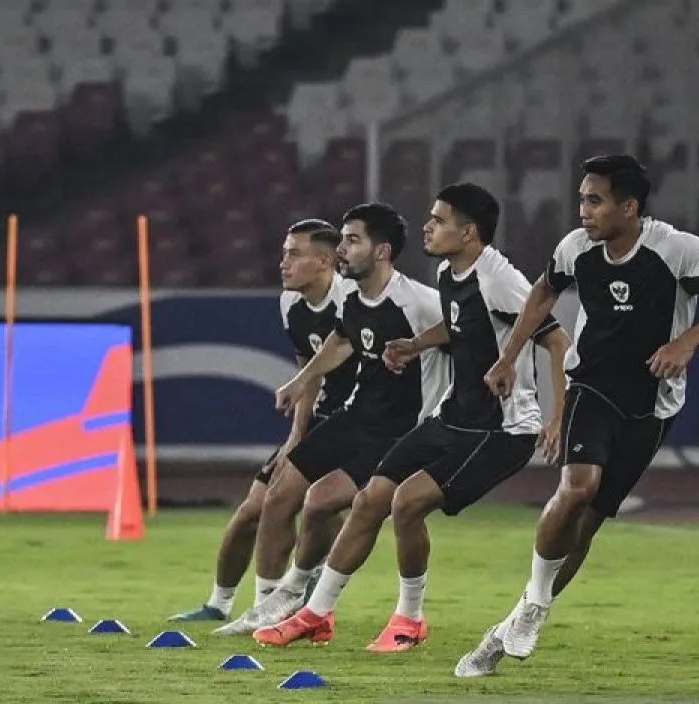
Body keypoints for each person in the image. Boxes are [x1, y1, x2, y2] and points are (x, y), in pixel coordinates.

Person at [459, 154, 699, 676]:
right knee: (576, 487)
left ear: (629, 207)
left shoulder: (673, 249)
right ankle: (535, 605)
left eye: (595, 200)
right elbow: (543, 290)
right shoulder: (577, 248)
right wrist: (509, 355)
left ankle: (508, 626)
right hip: (592, 387)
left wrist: (689, 341)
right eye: (582, 198)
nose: (583, 210)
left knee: (585, 527)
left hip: (652, 404)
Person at [252, 182, 572, 650]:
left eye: (439, 220)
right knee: (369, 500)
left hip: (499, 430)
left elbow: (557, 341)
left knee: (406, 503)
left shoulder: (500, 280)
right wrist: (418, 343)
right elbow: (462, 326)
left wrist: (558, 416)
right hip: (451, 418)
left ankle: (409, 619)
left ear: (469, 232)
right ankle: (315, 615)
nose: (428, 226)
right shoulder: (449, 273)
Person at [213, 202, 451, 636]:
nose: (343, 249)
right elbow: (340, 342)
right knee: (279, 493)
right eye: (341, 239)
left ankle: (298, 594)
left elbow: (464, 328)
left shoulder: (419, 301)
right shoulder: (354, 299)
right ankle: (269, 604)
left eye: (352, 240)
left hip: (396, 430)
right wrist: (300, 382)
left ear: (381, 252)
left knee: (321, 503)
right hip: (353, 414)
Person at [169, 219, 358, 621]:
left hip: (361, 420)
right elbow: (310, 368)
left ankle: (273, 605)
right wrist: (297, 434)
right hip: (323, 416)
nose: (283, 263)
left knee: (309, 504)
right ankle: (219, 604)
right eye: (284, 253)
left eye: (294, 254)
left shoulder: (352, 301)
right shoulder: (291, 302)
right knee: (251, 512)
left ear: (325, 260)